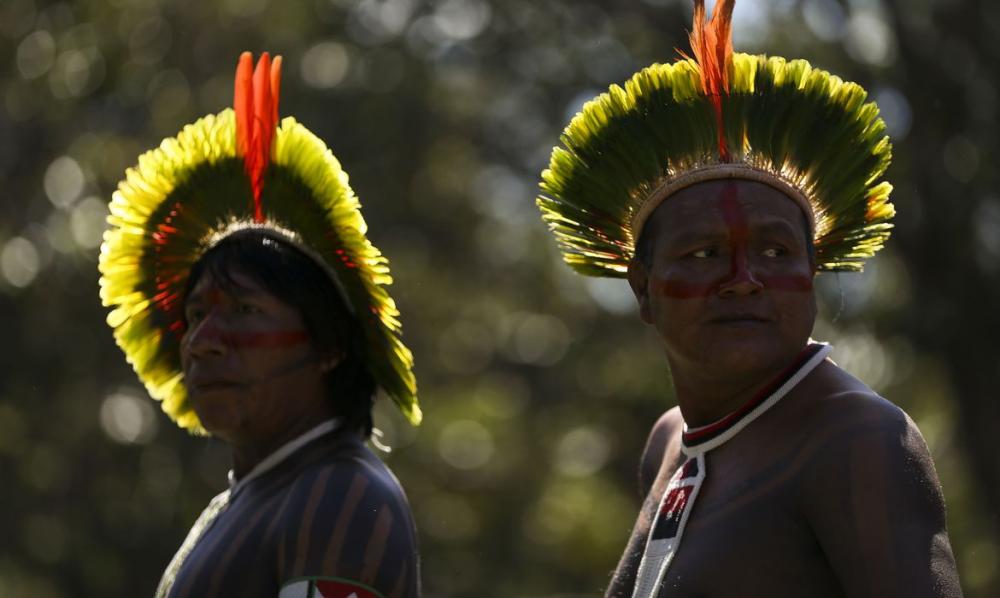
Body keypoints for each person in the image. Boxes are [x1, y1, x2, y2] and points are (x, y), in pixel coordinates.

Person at [536, 1, 961, 596]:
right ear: (642, 287)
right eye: (704, 254)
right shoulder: (669, 439)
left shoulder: (857, 439)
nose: (744, 278)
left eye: (775, 252)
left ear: (814, 269)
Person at [99, 52, 422, 598]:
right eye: (196, 316)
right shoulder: (247, 499)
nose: (202, 344)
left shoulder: (339, 494)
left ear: (329, 346)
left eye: (244, 311)